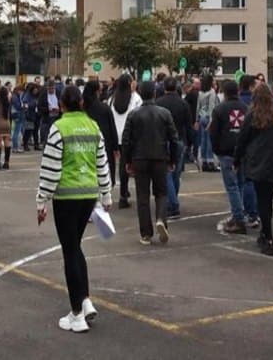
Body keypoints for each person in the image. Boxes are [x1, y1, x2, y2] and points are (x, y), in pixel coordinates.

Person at [36, 85, 111, 333]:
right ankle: (85, 299)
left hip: (66, 197)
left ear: (62, 104)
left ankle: (76, 313)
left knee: (69, 251)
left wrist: (41, 200)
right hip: (89, 194)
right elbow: (102, 163)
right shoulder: (93, 126)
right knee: (75, 247)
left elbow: (51, 168)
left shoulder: (59, 128)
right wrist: (106, 195)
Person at [122, 81, 179, 245]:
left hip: (139, 158)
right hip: (160, 157)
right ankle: (161, 218)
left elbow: (126, 140)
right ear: (154, 93)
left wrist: (127, 160)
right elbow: (173, 138)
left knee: (142, 196)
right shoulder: (165, 113)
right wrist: (172, 159)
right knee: (161, 193)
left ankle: (146, 233)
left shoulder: (133, 114)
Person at [235, 84, 273, 256]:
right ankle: (266, 233)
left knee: (262, 200)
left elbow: (242, 140)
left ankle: (267, 235)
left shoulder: (252, 117)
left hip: (257, 162)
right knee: (268, 200)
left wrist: (237, 159)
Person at [211, 80, 259, 234]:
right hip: (243, 152)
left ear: (224, 93)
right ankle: (246, 213)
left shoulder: (219, 109)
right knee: (242, 184)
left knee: (232, 186)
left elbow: (214, 132)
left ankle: (238, 217)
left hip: (227, 153)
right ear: (237, 92)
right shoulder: (246, 109)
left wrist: (216, 150)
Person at [156, 77, 191, 219]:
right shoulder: (183, 103)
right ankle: (173, 199)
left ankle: (173, 204)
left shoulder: (159, 103)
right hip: (179, 139)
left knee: (166, 173)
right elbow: (188, 124)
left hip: (164, 141)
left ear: (164, 87)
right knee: (176, 173)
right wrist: (190, 143)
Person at [108, 74, 142, 208]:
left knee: (114, 165)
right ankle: (124, 194)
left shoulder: (112, 99)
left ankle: (110, 193)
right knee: (126, 165)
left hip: (115, 136)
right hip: (129, 136)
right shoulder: (135, 98)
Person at [195, 75, 218, 172]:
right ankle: (210, 162)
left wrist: (196, 120)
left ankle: (203, 162)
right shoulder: (212, 92)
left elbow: (198, 107)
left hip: (201, 117)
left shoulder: (200, 92)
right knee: (209, 141)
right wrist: (211, 121)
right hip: (208, 117)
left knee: (203, 140)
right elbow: (211, 107)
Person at [10, 84, 27, 155]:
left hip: (17, 114)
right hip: (17, 115)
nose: (21, 92)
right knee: (16, 132)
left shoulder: (15, 96)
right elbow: (18, 106)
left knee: (17, 131)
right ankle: (15, 147)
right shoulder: (15, 96)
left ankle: (16, 147)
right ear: (18, 90)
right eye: (21, 91)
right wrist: (24, 106)